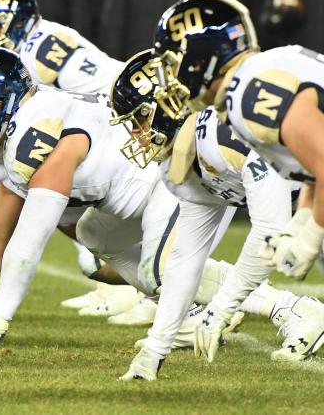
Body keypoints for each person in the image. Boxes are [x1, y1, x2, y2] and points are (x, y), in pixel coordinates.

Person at [0, 47, 200, 357]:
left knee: (156, 272)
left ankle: (257, 305)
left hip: (167, 180)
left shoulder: (37, 134)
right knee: (93, 236)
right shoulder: (14, 131)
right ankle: (195, 315)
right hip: (129, 197)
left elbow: (28, 244)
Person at [109, 50, 324, 379]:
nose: (136, 137)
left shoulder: (226, 135)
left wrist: (222, 307)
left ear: (166, 108)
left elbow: (271, 228)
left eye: (140, 122)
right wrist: (156, 345)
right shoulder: (179, 164)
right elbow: (185, 258)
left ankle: (300, 312)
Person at [0, 0, 145, 319]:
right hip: (113, 120)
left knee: (53, 199)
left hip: (129, 123)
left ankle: (157, 289)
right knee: (68, 213)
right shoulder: (34, 42)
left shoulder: (31, 57)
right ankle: (144, 286)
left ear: (15, 22)